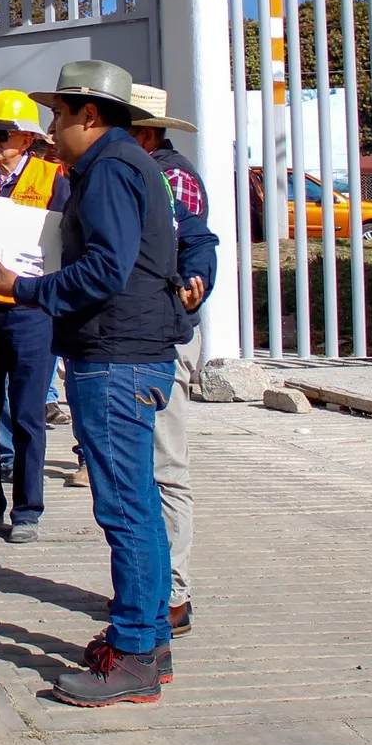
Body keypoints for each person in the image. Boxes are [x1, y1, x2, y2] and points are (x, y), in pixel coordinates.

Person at [0, 60, 188, 707]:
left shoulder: (108, 170)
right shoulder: (129, 165)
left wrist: (27, 288)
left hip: (116, 358)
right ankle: (146, 637)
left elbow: (103, 270)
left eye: (59, 115)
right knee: (141, 504)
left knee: (125, 508)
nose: (52, 127)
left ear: (89, 116)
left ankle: (132, 655)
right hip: (135, 353)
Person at [128, 84, 219, 638]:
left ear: (143, 131)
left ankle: (174, 591)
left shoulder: (169, 176)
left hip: (163, 332)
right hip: (135, 335)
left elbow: (195, 240)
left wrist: (194, 282)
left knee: (165, 464)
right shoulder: (135, 170)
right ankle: (152, 584)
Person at [0, 90, 69, 544]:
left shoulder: (54, 178)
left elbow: (63, 243)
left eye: (1, 134)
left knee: (27, 415)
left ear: (26, 139)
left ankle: (28, 508)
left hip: (32, 311)